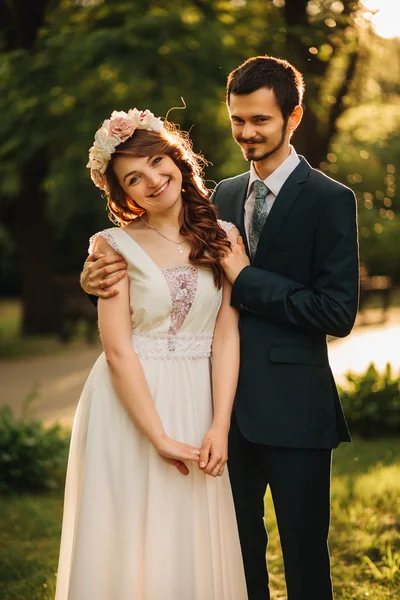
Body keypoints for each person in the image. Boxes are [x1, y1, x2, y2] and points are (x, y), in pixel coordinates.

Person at [82, 56, 359, 600]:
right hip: (214, 409)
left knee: (305, 557)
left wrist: (246, 277)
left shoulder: (331, 200)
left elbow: (336, 313)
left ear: (293, 117)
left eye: (260, 120)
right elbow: (157, 257)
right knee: (234, 558)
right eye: (238, 120)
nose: (247, 132)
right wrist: (94, 273)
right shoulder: (217, 200)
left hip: (295, 406)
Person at [55, 108, 248, 600]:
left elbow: (226, 335)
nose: (152, 180)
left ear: (177, 160)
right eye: (133, 179)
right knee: (130, 530)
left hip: (198, 396)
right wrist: (157, 435)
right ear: (123, 195)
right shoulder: (111, 245)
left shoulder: (223, 237)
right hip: (130, 401)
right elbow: (117, 351)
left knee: (190, 527)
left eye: (157, 162)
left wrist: (219, 425)